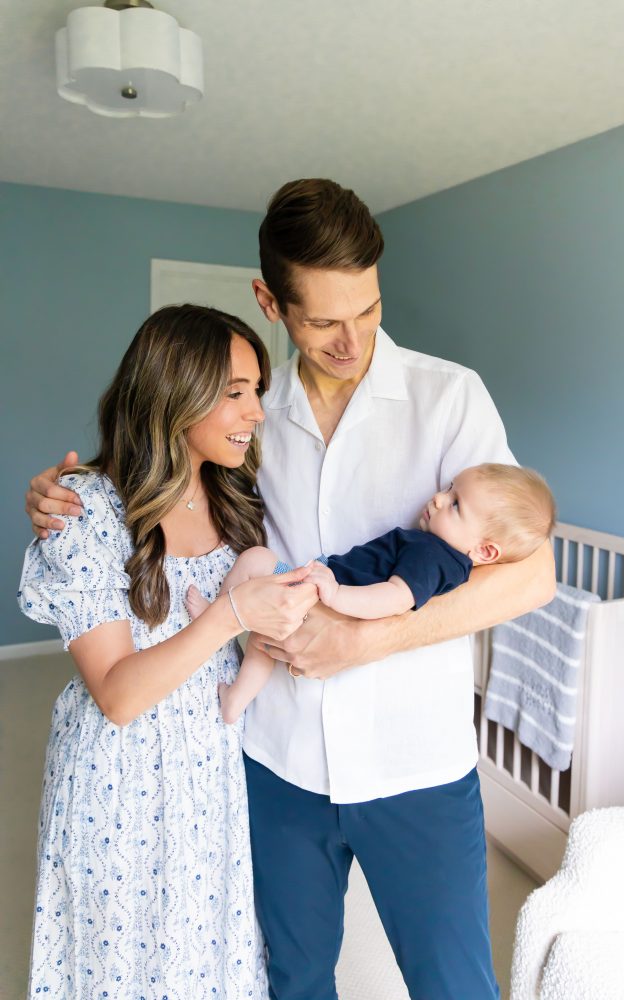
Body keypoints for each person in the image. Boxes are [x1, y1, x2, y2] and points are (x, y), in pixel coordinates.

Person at [26, 178, 556, 1000]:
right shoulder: (244, 411)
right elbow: (160, 486)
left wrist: (361, 640)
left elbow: (530, 573)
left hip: (411, 759)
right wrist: (68, 493)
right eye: (321, 321)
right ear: (269, 301)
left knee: (453, 983)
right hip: (273, 758)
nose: (351, 340)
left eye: (368, 310)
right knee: (290, 978)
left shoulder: (450, 397)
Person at [17, 305, 317, 998]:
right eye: (234, 391)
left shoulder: (240, 499)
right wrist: (230, 614)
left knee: (202, 953)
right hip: (116, 779)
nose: (255, 412)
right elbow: (117, 695)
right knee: (116, 959)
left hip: (209, 771)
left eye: (257, 391)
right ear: (173, 390)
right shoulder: (85, 509)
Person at [185, 463, 556, 725]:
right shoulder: (443, 556)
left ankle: (217, 616)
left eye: (456, 504)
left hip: (318, 594)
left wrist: (334, 594)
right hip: (320, 595)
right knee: (266, 641)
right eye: (448, 489)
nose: (440, 499)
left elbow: (396, 598)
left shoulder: (433, 555)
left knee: (255, 560)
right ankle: (236, 701)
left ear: (486, 552)